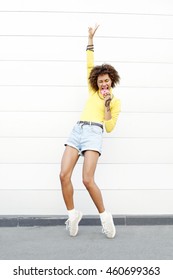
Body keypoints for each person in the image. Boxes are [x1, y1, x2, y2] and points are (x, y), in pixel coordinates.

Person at [59, 24, 121, 238]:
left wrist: (106, 105)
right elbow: (89, 64)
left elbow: (110, 128)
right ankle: (73, 213)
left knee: (87, 180)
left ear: (111, 81)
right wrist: (90, 38)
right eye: (100, 80)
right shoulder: (92, 90)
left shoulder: (115, 102)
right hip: (78, 129)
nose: (103, 82)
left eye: (106, 80)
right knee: (63, 175)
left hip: (95, 133)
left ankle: (105, 217)